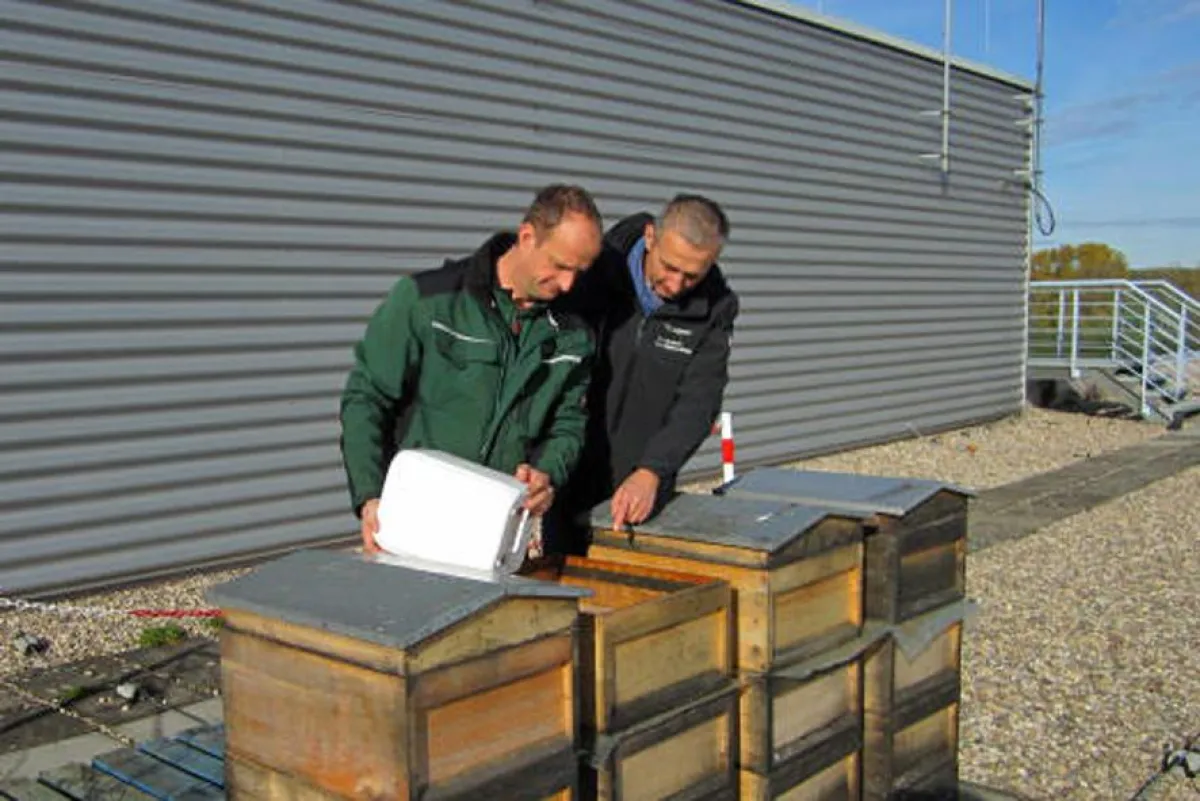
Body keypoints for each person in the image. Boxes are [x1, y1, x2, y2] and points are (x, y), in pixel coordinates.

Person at [339, 184, 603, 554]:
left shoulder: (574, 337)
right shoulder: (428, 302)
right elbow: (366, 398)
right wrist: (369, 497)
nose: (568, 284)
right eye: (559, 266)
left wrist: (547, 473)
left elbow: (568, 425)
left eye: (580, 271)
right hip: (413, 519)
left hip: (495, 535)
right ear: (527, 237)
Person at [546, 194, 739, 552]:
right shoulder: (592, 274)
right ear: (650, 237)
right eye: (669, 266)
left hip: (639, 485)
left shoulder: (714, 312)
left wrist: (653, 470)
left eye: (692, 275)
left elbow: (699, 401)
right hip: (565, 471)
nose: (676, 284)